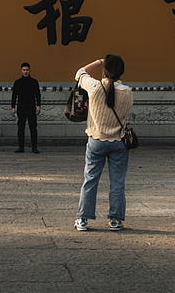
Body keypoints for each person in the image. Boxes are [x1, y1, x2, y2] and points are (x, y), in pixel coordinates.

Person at [74, 55, 133, 232]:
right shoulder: (127, 91)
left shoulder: (93, 87)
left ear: (104, 70)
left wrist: (98, 62)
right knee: (117, 182)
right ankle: (115, 220)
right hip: (118, 141)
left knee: (90, 179)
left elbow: (79, 73)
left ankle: (83, 219)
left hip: (96, 139)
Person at [11, 62, 42, 153]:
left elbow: (38, 95)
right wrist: (13, 107)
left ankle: (34, 147)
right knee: (21, 128)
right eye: (24, 70)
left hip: (31, 107)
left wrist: (38, 105)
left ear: (29, 70)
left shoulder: (34, 82)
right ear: (21, 71)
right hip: (21, 108)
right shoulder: (18, 83)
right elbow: (14, 96)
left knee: (33, 128)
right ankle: (21, 147)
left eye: (27, 70)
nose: (25, 72)